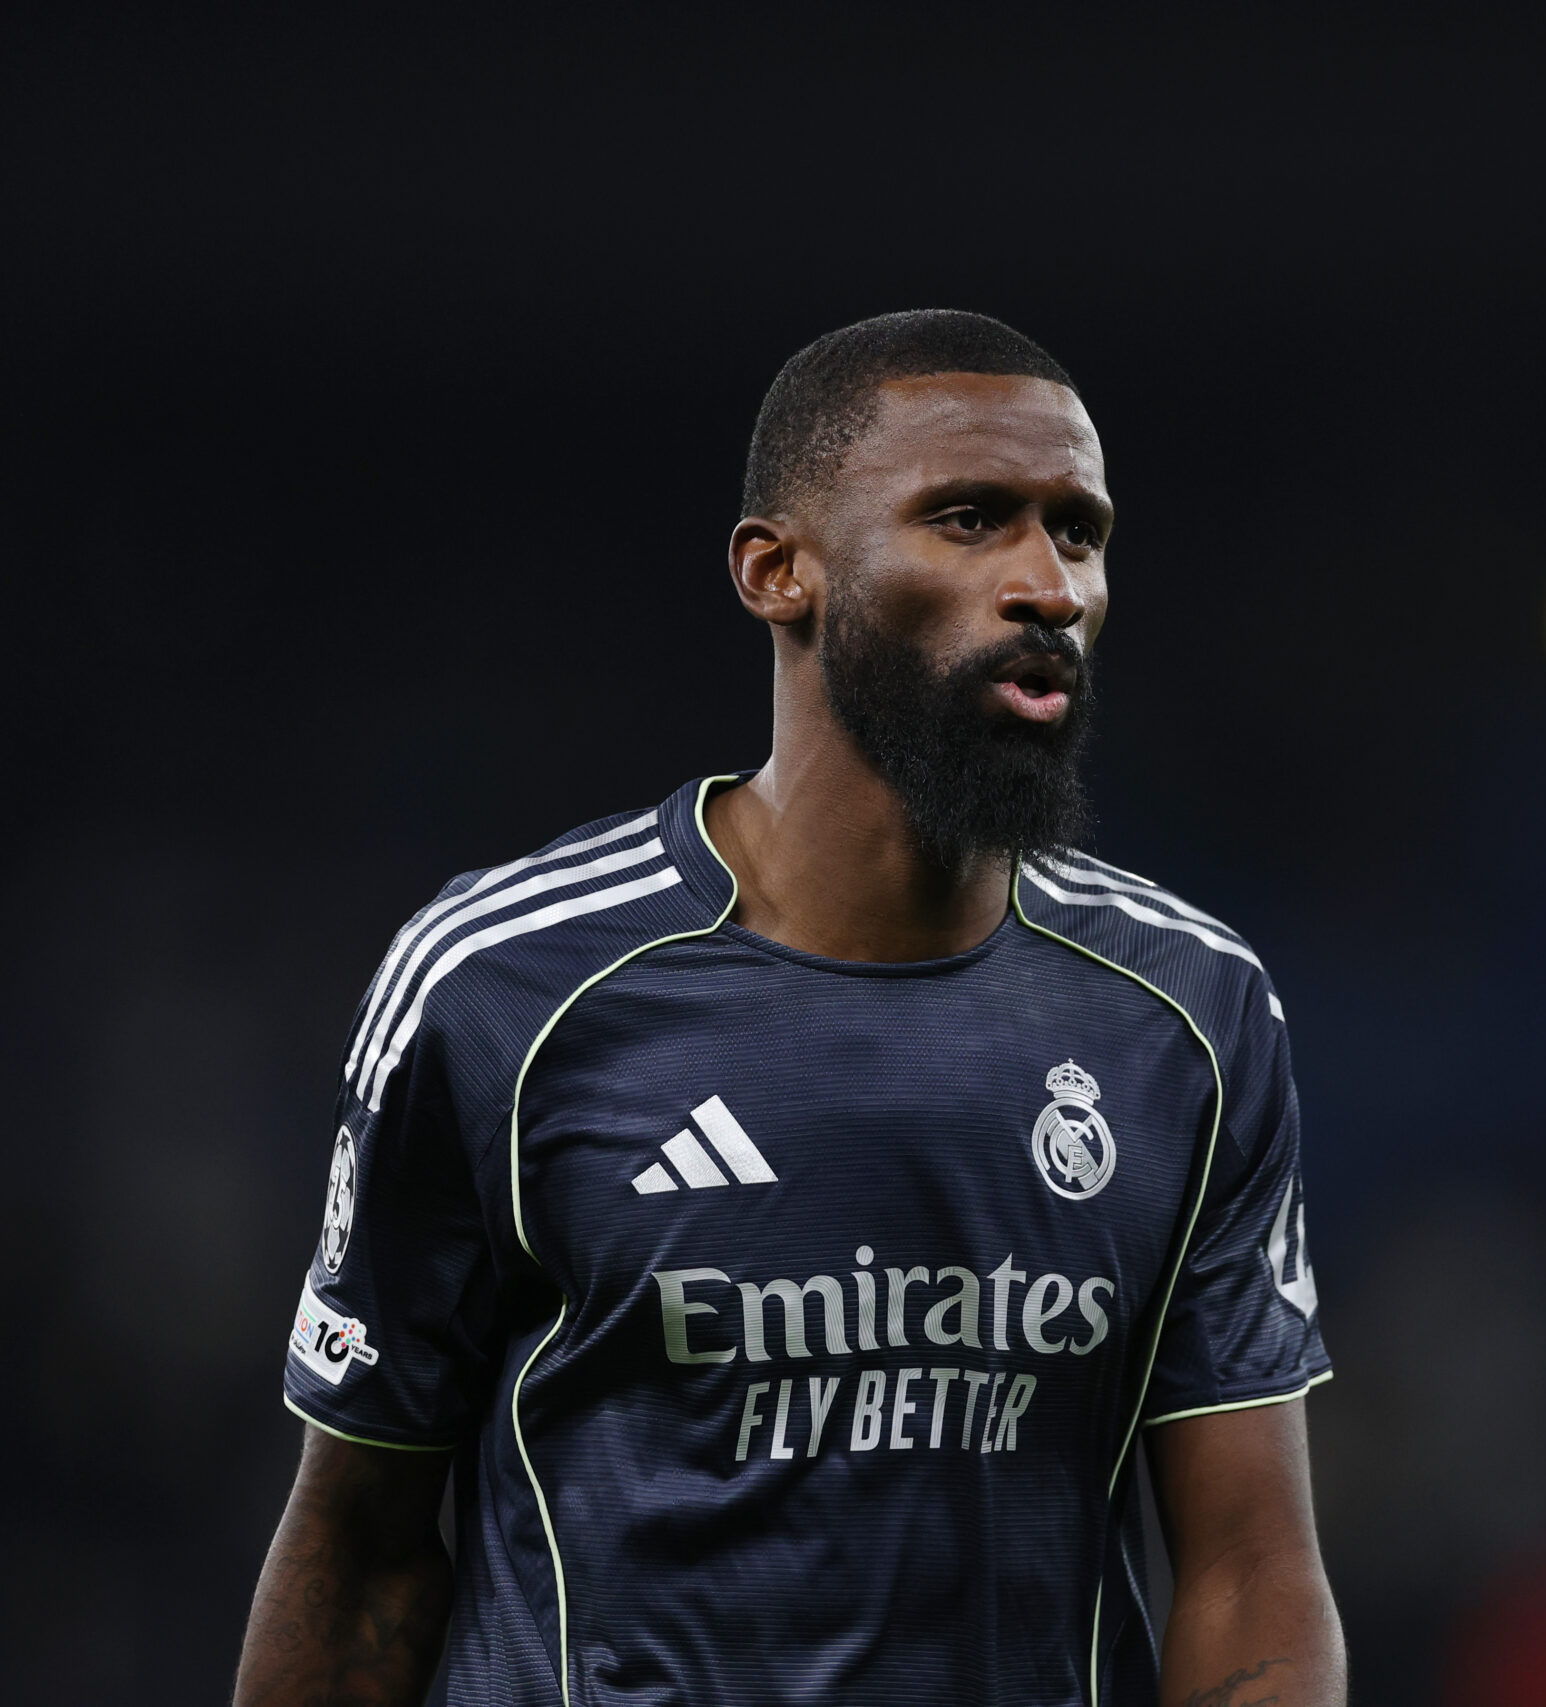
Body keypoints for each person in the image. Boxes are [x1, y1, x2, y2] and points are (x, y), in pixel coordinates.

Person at [234, 311, 1343, 1707]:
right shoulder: (500, 986)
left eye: (1079, 532)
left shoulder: (1191, 1011)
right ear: (778, 572)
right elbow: (362, 1554)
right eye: (969, 519)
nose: (1048, 586)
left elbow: (1249, 1568)